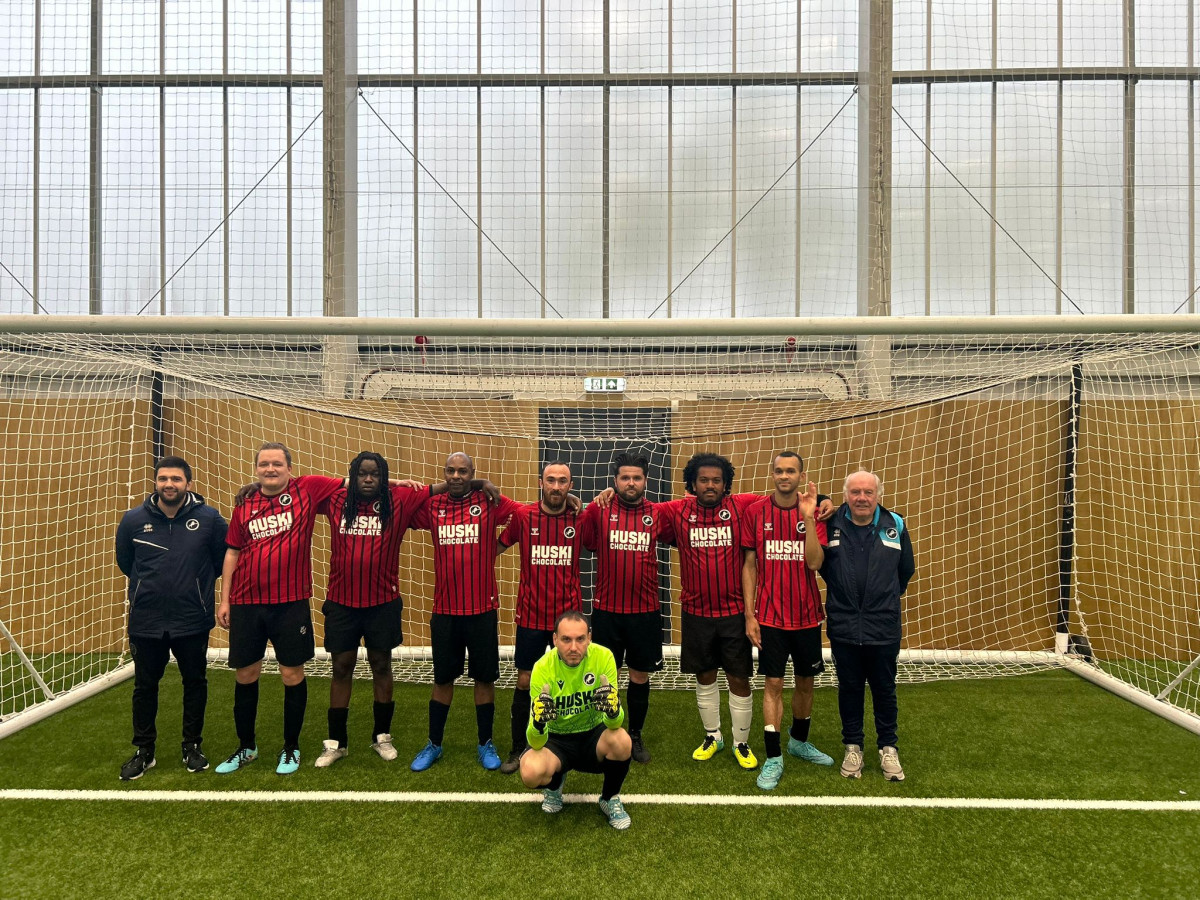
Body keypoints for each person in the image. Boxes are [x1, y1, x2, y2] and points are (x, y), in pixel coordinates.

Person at [215, 442, 345, 776]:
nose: (270, 469)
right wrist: (225, 598)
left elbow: (358, 481)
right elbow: (232, 551)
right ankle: (246, 747)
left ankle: (291, 748)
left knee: (291, 674)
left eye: (276, 464)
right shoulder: (245, 503)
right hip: (246, 604)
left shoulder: (308, 489)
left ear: (289, 467)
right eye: (263, 464)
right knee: (246, 674)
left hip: (290, 604)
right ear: (256, 469)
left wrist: (399, 485)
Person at [312, 452, 430, 768]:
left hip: (383, 604)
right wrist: (254, 486)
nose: (368, 479)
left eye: (375, 474)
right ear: (353, 476)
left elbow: (443, 488)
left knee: (381, 664)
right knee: (341, 667)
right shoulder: (336, 500)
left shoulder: (399, 501)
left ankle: (382, 736)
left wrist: (481, 482)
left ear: (383, 476)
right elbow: (300, 486)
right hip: (341, 603)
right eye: (362, 474)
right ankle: (336, 742)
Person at [114, 456, 228, 780]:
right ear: (155, 482)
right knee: (145, 687)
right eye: (163, 478)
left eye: (176, 479)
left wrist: (194, 586)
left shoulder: (209, 519)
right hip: (146, 621)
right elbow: (126, 561)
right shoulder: (133, 520)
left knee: (195, 683)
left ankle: (192, 746)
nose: (169, 484)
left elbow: (221, 561)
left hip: (192, 618)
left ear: (188, 484)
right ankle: (144, 751)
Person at [409, 452, 521, 772]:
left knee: (484, 679)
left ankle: (485, 743)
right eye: (451, 471)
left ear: (472, 473)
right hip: (445, 611)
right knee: (443, 679)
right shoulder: (433, 505)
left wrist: (500, 544)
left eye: (464, 471)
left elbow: (528, 515)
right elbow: (401, 502)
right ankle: (434, 744)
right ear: (444, 473)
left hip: (482, 608)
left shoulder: (489, 500)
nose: (456, 476)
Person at [741, 451, 834, 790]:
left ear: (800, 474)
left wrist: (809, 519)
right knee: (774, 685)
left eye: (791, 471)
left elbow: (814, 563)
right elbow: (749, 565)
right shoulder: (756, 512)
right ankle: (774, 757)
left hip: (807, 615)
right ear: (772, 474)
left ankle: (799, 741)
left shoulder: (814, 510)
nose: (784, 476)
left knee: (806, 682)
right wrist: (749, 615)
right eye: (779, 471)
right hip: (770, 617)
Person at [579, 451, 674, 764]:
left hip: (645, 612)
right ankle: (605, 730)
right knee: (606, 677)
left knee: (639, 676)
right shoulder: (600, 509)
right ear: (615, 480)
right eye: (625, 478)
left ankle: (634, 734)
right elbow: (584, 535)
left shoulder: (658, 513)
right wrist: (594, 502)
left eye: (636, 477)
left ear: (645, 480)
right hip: (607, 610)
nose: (631, 483)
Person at [821, 469, 915, 782]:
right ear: (846, 495)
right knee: (849, 689)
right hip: (844, 626)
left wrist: (881, 601)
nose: (862, 498)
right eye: (855, 492)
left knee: (884, 690)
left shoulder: (896, 525)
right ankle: (853, 747)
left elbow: (905, 572)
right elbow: (823, 569)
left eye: (868, 492)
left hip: (883, 627)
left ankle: (888, 748)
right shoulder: (830, 524)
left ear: (878, 495)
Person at [495, 461, 586, 774]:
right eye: (551, 480)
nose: (557, 486)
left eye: (563, 481)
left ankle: (575, 743)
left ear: (570, 485)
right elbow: (496, 547)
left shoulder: (580, 517)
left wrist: (588, 504)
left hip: (569, 619)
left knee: (574, 683)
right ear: (540, 482)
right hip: (532, 615)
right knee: (525, 681)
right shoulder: (523, 516)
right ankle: (518, 746)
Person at [519, 610, 633, 830]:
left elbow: (614, 723)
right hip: (556, 741)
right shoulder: (542, 668)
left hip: (593, 735)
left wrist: (612, 710)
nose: (573, 647)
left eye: (580, 639)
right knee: (530, 771)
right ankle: (554, 785)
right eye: (566, 639)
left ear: (589, 637)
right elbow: (535, 742)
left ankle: (609, 798)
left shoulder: (604, 657)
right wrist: (539, 722)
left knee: (622, 741)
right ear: (554, 640)